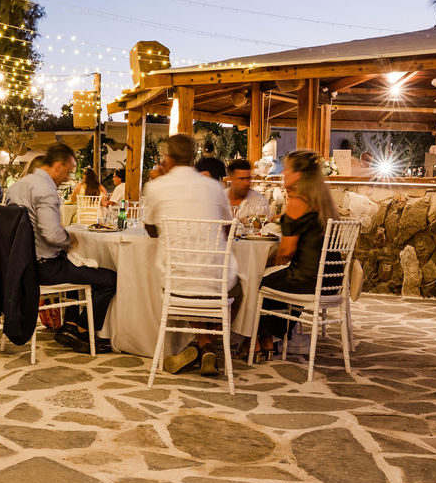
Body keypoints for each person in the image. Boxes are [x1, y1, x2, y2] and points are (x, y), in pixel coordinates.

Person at [6, 143, 116, 354]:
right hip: (42, 267)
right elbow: (52, 235)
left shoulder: (18, 186)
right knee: (109, 279)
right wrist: (70, 239)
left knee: (75, 268)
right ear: (58, 166)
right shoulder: (45, 190)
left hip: (20, 264)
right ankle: (83, 332)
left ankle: (70, 326)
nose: (68, 177)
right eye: (68, 171)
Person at [143, 133, 238, 377]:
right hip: (215, 280)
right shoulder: (214, 187)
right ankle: (207, 344)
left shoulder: (156, 186)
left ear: (168, 158)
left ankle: (202, 345)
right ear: (193, 158)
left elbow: (150, 229)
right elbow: (228, 228)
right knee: (237, 287)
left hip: (176, 280)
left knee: (187, 278)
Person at [251, 149, 340, 359]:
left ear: (299, 174)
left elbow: (286, 252)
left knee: (256, 282)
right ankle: (270, 339)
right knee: (277, 279)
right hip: (330, 278)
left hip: (309, 279)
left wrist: (266, 263)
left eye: (287, 169)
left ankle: (254, 341)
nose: (283, 173)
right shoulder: (321, 201)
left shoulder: (298, 202)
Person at [226, 159, 269, 224]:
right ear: (230, 179)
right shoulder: (219, 198)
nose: (246, 183)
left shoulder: (259, 203)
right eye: (242, 179)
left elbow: (263, 228)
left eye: (248, 178)